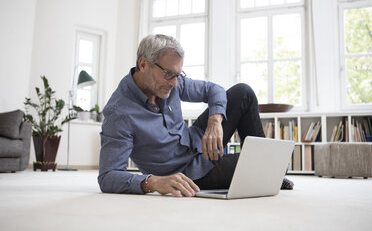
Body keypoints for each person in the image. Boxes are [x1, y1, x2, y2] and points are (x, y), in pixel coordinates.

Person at [98, 34, 294, 197]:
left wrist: (215, 120)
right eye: (169, 75)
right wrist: (154, 182)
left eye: (178, 75)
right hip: (189, 172)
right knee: (277, 166)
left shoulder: (170, 80)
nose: (175, 83)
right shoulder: (119, 114)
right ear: (143, 64)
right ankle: (266, 172)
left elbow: (213, 89)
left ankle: (264, 169)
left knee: (243, 92)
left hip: (200, 140)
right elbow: (108, 176)